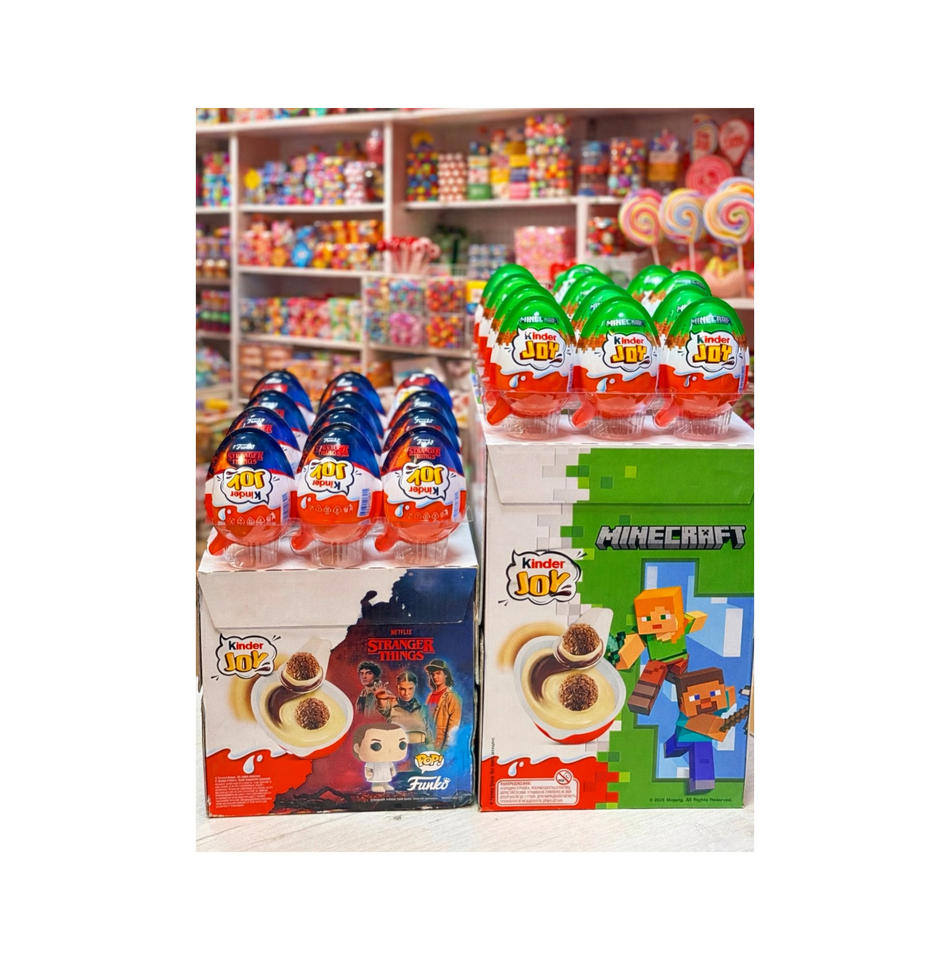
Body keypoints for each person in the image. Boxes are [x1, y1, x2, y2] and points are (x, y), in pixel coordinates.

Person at [616, 586, 707, 716]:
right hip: (658, 662)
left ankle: (688, 706)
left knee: (682, 679)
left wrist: (697, 617)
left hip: (679, 659)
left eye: (664, 616)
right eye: (647, 619)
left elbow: (697, 619)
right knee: (650, 677)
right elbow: (633, 645)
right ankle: (640, 704)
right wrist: (622, 656)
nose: (656, 623)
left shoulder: (681, 624)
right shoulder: (646, 634)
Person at [663, 667, 735, 794]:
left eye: (713, 694)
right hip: (686, 734)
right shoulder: (687, 715)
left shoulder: (719, 703)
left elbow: (728, 697)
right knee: (676, 746)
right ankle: (668, 749)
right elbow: (691, 723)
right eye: (695, 697)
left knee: (702, 757)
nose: (706, 701)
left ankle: (703, 782)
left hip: (702, 739)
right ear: (683, 701)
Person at [375, 670, 431, 756]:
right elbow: (382, 708)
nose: (406, 693)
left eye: (410, 688)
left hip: (419, 753)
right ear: (397, 687)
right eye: (402, 689)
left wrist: (432, 752)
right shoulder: (391, 705)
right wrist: (380, 699)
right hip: (396, 751)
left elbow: (429, 737)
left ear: (415, 687)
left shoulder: (423, 709)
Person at [352, 722, 409, 792]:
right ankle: (376, 785)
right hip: (376, 774)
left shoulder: (388, 761)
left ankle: (385, 785)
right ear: (357, 748)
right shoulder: (372, 762)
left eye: (402, 744)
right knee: (377, 780)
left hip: (386, 773)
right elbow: (368, 768)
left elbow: (391, 766)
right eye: (376, 746)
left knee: (385, 779)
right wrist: (368, 773)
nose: (389, 750)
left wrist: (392, 771)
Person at [424, 659, 461, 753]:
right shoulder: (429, 696)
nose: (435, 677)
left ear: (446, 674)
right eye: (432, 674)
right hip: (427, 746)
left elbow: (453, 730)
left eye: (438, 673)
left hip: (441, 749)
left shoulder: (452, 697)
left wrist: (445, 752)